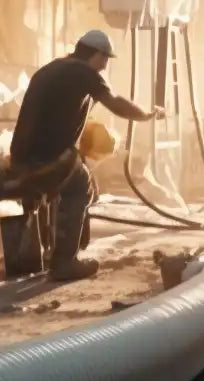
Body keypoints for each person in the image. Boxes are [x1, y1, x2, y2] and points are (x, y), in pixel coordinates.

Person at [10, 30, 163, 281]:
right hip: (48, 158)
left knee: (70, 179)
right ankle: (64, 263)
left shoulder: (53, 68)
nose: (104, 66)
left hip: (21, 157)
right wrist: (146, 115)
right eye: (105, 59)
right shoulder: (84, 73)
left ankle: (54, 251)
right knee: (81, 187)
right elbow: (116, 104)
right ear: (97, 55)